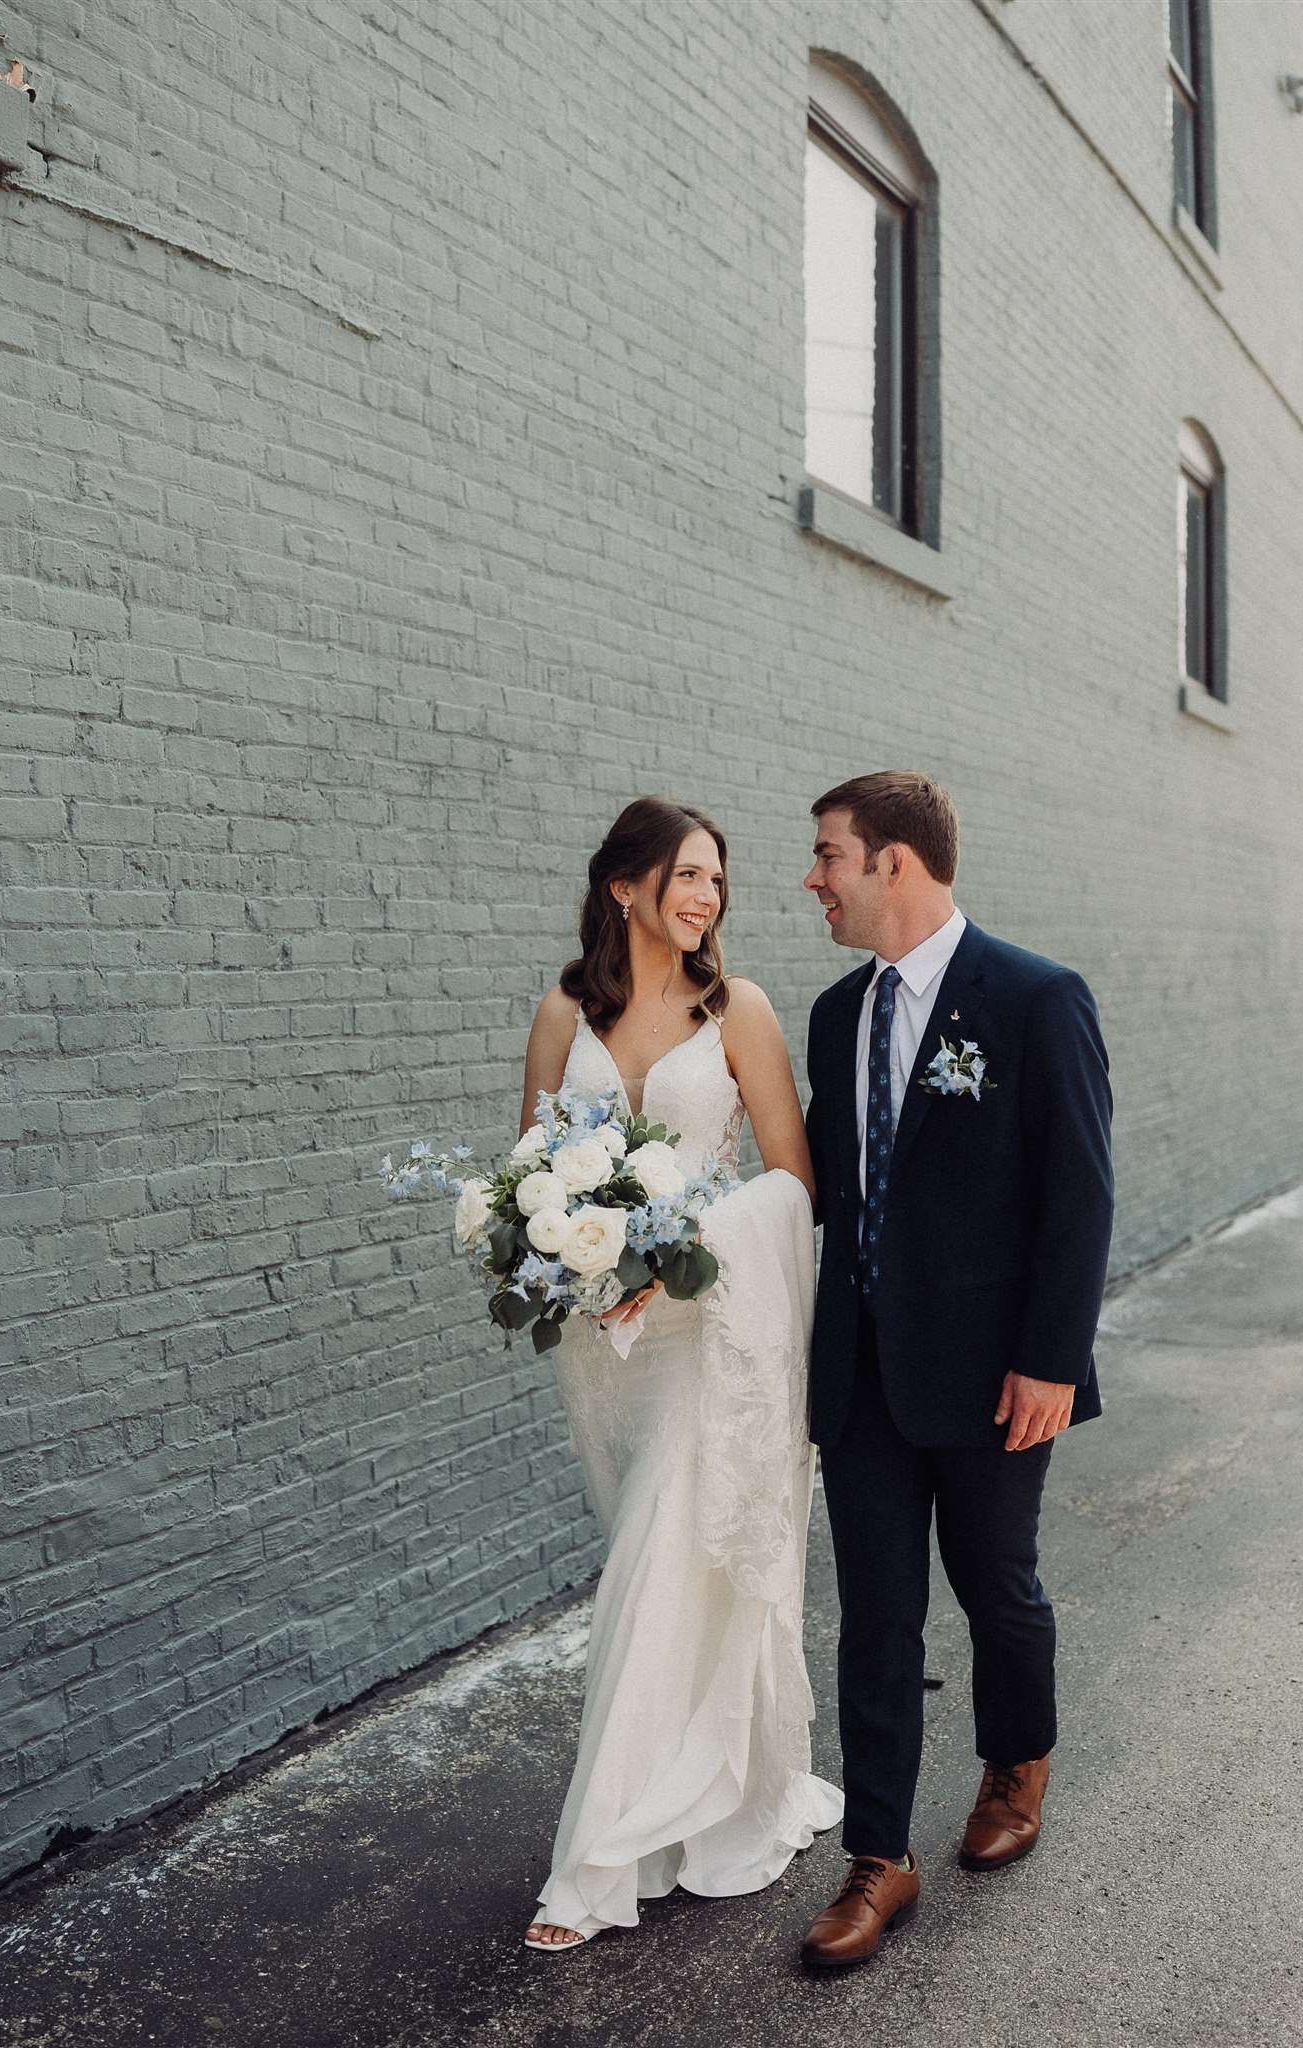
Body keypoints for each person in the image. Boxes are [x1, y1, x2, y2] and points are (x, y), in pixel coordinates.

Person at [797, 771, 1114, 1968]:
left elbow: (1079, 1195)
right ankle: (878, 1854)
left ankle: (1014, 1762)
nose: (813, 877)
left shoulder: (1035, 998)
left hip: (993, 1377)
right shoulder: (837, 1015)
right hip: (864, 1371)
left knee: (999, 1588)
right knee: (875, 1614)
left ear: (895, 862)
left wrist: (1049, 1359)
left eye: (829, 853)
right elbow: (826, 1184)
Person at [519, 795, 843, 1951]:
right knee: (669, 1563)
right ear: (624, 887)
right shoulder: (568, 1010)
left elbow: (793, 1179)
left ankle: (593, 1867)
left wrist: (687, 1255)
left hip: (718, 1331)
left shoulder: (738, 1009)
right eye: (687, 875)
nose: (707, 896)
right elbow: (534, 1167)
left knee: (659, 1562)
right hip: (620, 1344)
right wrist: (560, 1246)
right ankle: (701, 1796)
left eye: (717, 878)